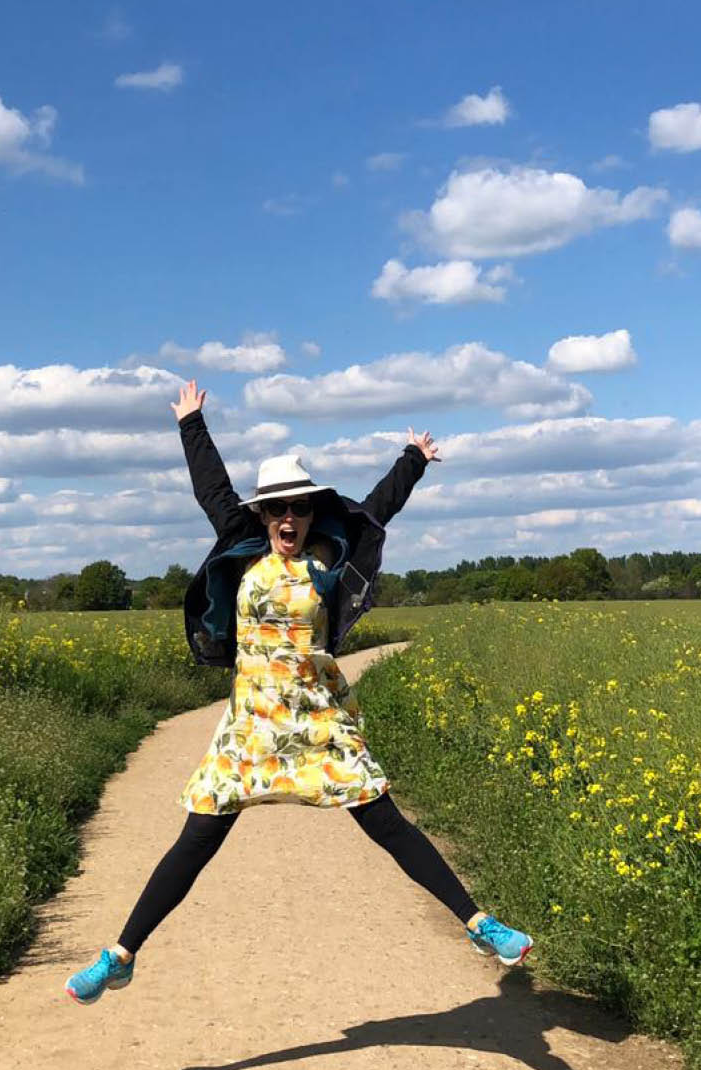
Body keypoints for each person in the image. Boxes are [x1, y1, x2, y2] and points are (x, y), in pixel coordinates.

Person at [65, 381, 532, 1004]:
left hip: (316, 717)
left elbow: (376, 510)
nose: (288, 519)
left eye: (299, 508)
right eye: (276, 509)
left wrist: (413, 460)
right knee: (197, 839)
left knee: (383, 819)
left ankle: (480, 925)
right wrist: (191, 424)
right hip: (252, 722)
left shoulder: (327, 557)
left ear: (313, 512)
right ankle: (121, 956)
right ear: (261, 514)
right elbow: (212, 488)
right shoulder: (243, 542)